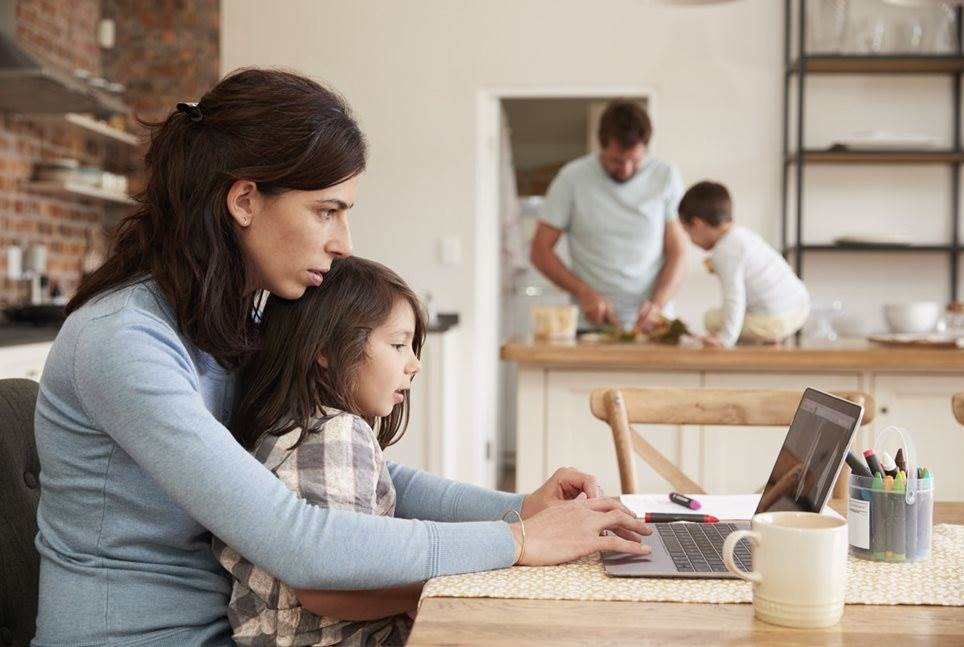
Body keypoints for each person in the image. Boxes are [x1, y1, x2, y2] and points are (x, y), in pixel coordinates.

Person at [32, 68, 651, 646]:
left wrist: (520, 507)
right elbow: (295, 539)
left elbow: (359, 472)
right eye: (326, 210)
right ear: (244, 201)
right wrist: (518, 540)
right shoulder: (125, 342)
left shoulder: (234, 320)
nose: (342, 243)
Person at [214, 257, 427, 645]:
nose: (414, 363)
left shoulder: (287, 426)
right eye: (398, 344)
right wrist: (433, 588)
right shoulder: (336, 433)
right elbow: (329, 586)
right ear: (326, 349)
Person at [530, 100, 688, 332]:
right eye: (616, 161)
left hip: (653, 326)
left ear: (645, 147)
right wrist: (582, 291)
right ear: (601, 146)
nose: (625, 170)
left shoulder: (666, 176)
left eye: (635, 161)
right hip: (590, 325)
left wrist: (658, 304)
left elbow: (678, 251)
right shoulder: (572, 179)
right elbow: (540, 251)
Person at [677, 181, 810, 348]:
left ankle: (766, 334)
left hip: (776, 320)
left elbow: (734, 297)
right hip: (799, 308)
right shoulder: (743, 236)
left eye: (688, 232)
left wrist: (725, 339)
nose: (690, 240)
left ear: (697, 224)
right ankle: (769, 336)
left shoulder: (725, 250)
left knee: (711, 319)